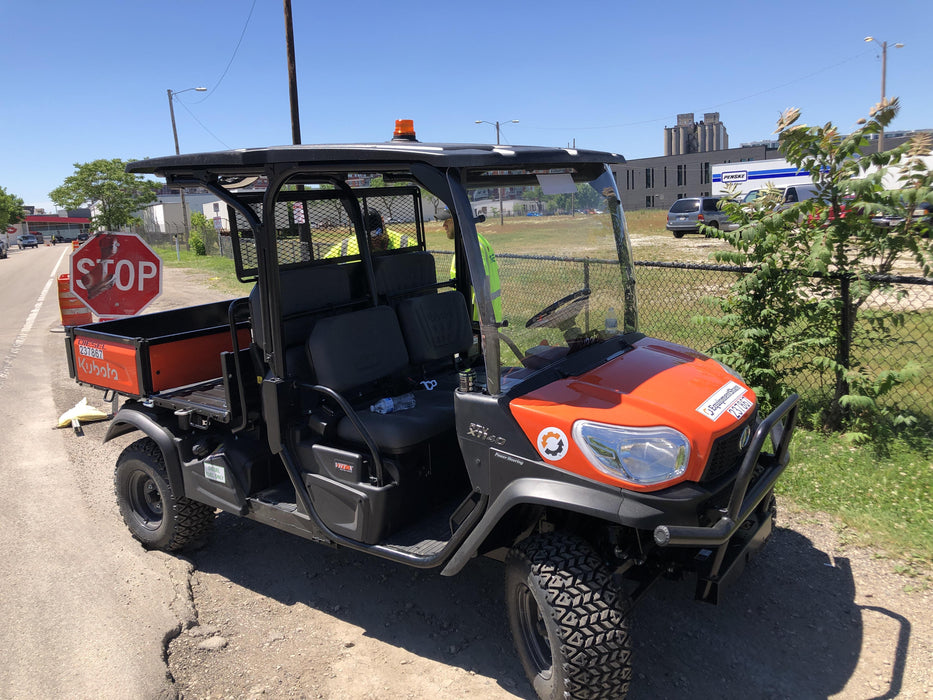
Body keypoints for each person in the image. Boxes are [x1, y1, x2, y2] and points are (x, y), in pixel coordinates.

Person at [441, 210, 502, 323]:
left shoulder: (471, 245)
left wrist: (484, 323)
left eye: (447, 221)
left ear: (459, 221)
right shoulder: (473, 240)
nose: (443, 225)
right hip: (481, 316)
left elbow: (483, 282)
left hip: (480, 319)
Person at [324, 211, 411, 258]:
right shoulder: (345, 247)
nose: (375, 238)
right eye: (368, 235)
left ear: (383, 221)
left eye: (378, 232)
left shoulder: (405, 243)